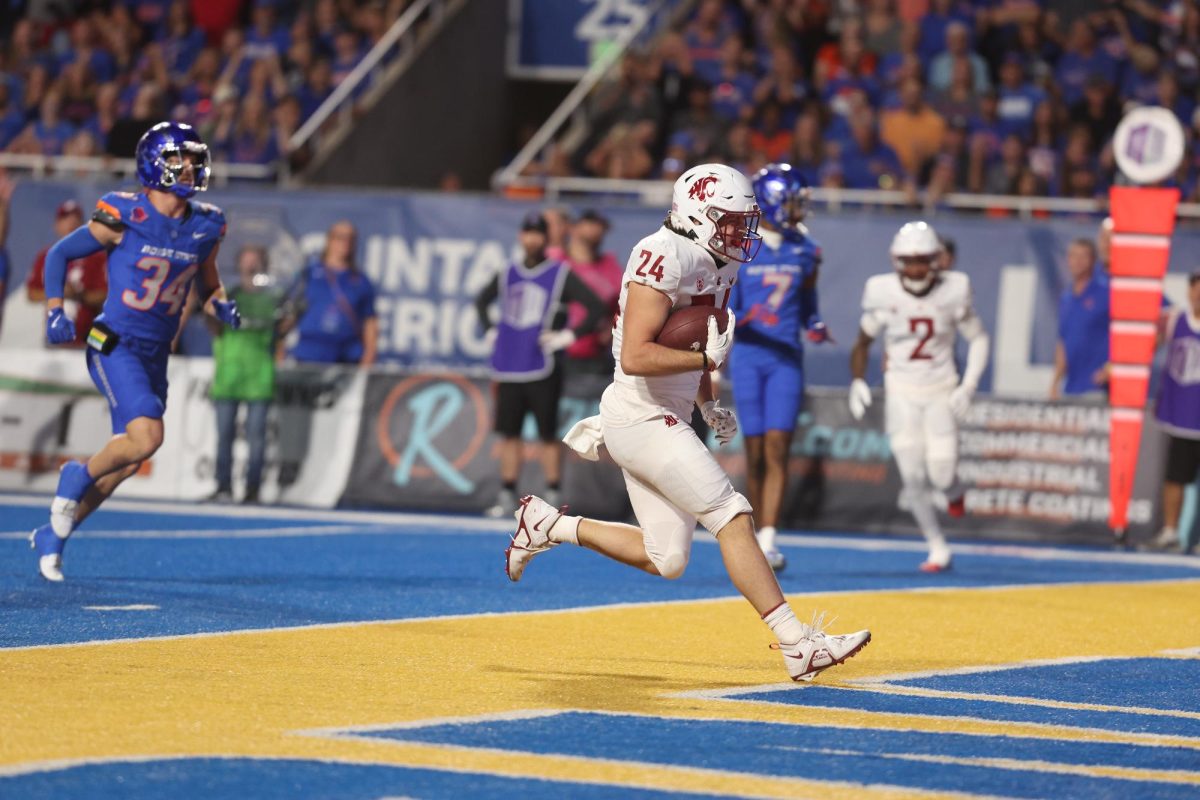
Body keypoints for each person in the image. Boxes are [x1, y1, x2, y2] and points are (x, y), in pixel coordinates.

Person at [505, 164, 871, 683]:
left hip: (668, 414)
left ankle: (550, 525)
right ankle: (797, 642)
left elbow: (699, 340)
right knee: (730, 513)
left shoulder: (721, 260)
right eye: (729, 221)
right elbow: (637, 354)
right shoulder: (662, 255)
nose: (740, 233)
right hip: (638, 414)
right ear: (696, 214)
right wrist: (703, 365)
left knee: (668, 558)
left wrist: (706, 400)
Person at [29, 121, 241, 582]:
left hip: (155, 353)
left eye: (192, 159)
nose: (188, 167)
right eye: (177, 160)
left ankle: (54, 535)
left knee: (127, 461)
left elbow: (208, 279)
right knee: (147, 436)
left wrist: (219, 304)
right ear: (153, 164)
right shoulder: (125, 213)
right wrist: (54, 309)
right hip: (115, 341)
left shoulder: (207, 224)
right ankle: (74, 475)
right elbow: (58, 255)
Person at [848, 221, 989, 572]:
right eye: (909, 261)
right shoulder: (883, 292)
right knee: (912, 475)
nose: (915, 269)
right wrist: (857, 380)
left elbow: (980, 338)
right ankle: (937, 546)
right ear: (896, 261)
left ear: (936, 260)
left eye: (922, 260)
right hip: (901, 391)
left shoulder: (955, 290)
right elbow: (862, 342)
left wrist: (968, 385)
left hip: (941, 388)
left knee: (941, 474)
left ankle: (954, 493)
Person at [728, 163, 830, 573]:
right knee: (753, 451)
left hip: (786, 358)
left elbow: (808, 305)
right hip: (749, 357)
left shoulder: (806, 249)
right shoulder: (742, 246)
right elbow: (728, 310)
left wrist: (815, 324)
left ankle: (769, 538)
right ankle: (752, 534)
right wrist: (748, 318)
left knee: (777, 448)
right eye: (793, 201)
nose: (799, 209)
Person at [474, 211, 606, 516]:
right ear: (521, 236)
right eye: (527, 232)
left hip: (542, 365)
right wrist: (491, 329)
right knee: (509, 433)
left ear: (546, 238)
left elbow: (595, 305)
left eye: (538, 233)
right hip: (509, 364)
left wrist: (568, 336)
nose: (532, 238)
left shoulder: (559, 274)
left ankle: (552, 492)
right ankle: (507, 493)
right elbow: (482, 300)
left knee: (547, 433)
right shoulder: (508, 272)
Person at [209, 245, 285, 504]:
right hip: (229, 374)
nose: (251, 266)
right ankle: (223, 487)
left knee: (257, 437)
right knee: (224, 435)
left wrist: (295, 311)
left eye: (256, 261)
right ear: (238, 264)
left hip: (259, 375)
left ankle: (253, 489)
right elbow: (215, 328)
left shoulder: (274, 299)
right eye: (247, 260)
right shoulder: (229, 295)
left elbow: (281, 331)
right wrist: (207, 308)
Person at [1149, 271, 1200, 553]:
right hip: (1181, 416)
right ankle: (1170, 531)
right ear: (1189, 290)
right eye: (1196, 290)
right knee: (1175, 477)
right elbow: (1148, 343)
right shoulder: (1174, 319)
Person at [289, 220, 377, 366]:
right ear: (329, 240)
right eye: (340, 237)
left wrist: (367, 361)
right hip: (309, 355)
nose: (345, 243)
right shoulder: (309, 274)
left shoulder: (361, 281)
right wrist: (278, 353)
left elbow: (370, 324)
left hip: (346, 358)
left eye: (350, 238)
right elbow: (290, 314)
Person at [25, 199, 108, 347]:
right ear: (56, 225)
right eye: (65, 218)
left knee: (95, 365)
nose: (71, 223)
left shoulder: (97, 257)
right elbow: (31, 293)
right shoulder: (46, 256)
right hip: (56, 335)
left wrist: (79, 294)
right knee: (52, 366)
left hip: (90, 337)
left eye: (76, 218)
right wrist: (58, 294)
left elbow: (106, 295)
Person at [559, 209, 624, 376]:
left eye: (600, 225)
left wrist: (612, 327)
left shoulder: (610, 267)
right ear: (573, 228)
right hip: (559, 355)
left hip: (598, 360)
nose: (595, 229)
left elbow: (624, 306)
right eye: (590, 222)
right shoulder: (557, 263)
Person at [1049, 239, 1109, 399]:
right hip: (1071, 387)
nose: (1077, 262)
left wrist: (1112, 368)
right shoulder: (1066, 298)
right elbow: (1063, 341)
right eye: (1073, 256)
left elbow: (1127, 332)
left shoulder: (1106, 292)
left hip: (1098, 387)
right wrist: (1055, 383)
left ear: (1093, 261)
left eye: (1083, 257)